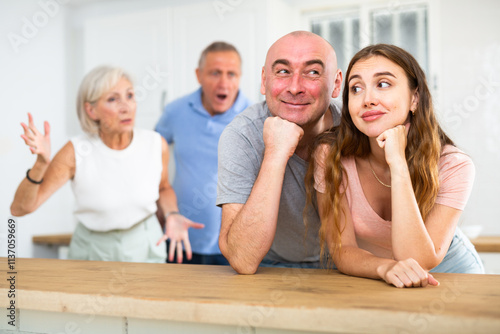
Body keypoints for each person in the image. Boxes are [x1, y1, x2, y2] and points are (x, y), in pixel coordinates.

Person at [307, 44, 484, 288]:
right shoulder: (330, 156)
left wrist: (398, 163)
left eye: (383, 84)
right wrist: (384, 267)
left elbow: (418, 260)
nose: (368, 99)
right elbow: (342, 249)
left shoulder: (454, 165)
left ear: (415, 98)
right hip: (379, 274)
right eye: (356, 88)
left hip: (451, 274)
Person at [10, 66, 203, 263]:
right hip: (91, 250)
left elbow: (163, 188)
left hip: (145, 245)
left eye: (130, 96)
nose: (126, 107)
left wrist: (172, 213)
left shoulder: (155, 144)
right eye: (113, 99)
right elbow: (20, 208)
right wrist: (41, 164)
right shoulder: (75, 151)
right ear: (91, 110)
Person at [216, 31, 343, 274]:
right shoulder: (242, 135)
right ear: (264, 81)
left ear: (336, 84)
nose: (295, 87)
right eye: (283, 72)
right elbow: (242, 258)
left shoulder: (358, 126)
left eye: (313, 72)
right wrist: (275, 154)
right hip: (269, 264)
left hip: (346, 262)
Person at [155, 41, 251, 265]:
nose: (224, 83)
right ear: (198, 75)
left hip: (236, 243)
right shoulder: (175, 111)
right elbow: (149, 157)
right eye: (215, 73)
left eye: (232, 74)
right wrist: (160, 210)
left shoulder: (255, 117)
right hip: (180, 238)